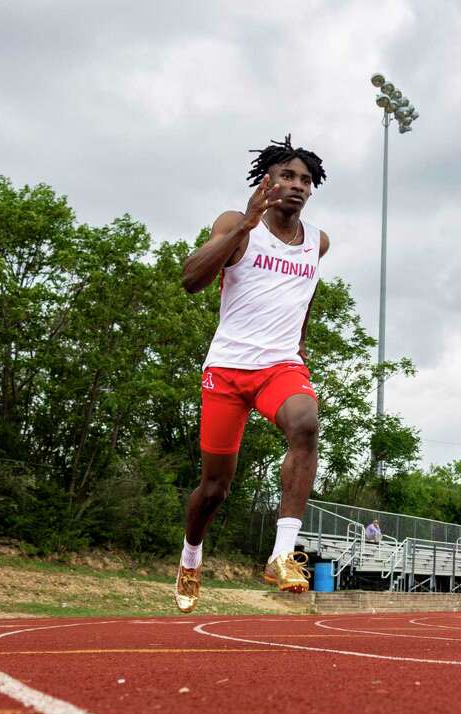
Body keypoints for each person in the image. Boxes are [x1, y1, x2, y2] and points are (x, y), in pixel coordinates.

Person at [174, 134, 330, 613]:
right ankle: (191, 556)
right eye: (288, 175)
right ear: (267, 181)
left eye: (306, 179)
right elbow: (191, 279)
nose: (297, 185)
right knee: (215, 488)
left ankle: (283, 554)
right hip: (226, 371)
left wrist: (299, 343)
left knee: (305, 422)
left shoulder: (316, 243)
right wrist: (244, 223)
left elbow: (301, 294)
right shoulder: (237, 223)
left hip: (279, 366)